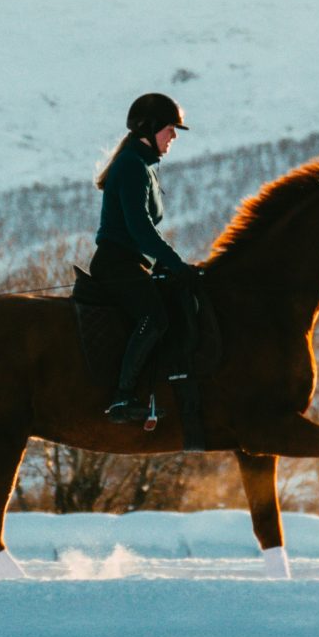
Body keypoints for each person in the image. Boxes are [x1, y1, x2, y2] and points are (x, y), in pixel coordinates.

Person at [93, 92, 195, 423]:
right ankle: (122, 399)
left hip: (132, 262)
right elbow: (140, 227)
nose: (174, 136)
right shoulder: (132, 166)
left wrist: (166, 263)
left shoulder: (143, 166)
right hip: (117, 264)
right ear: (148, 129)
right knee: (155, 318)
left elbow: (143, 229)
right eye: (170, 128)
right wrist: (175, 262)